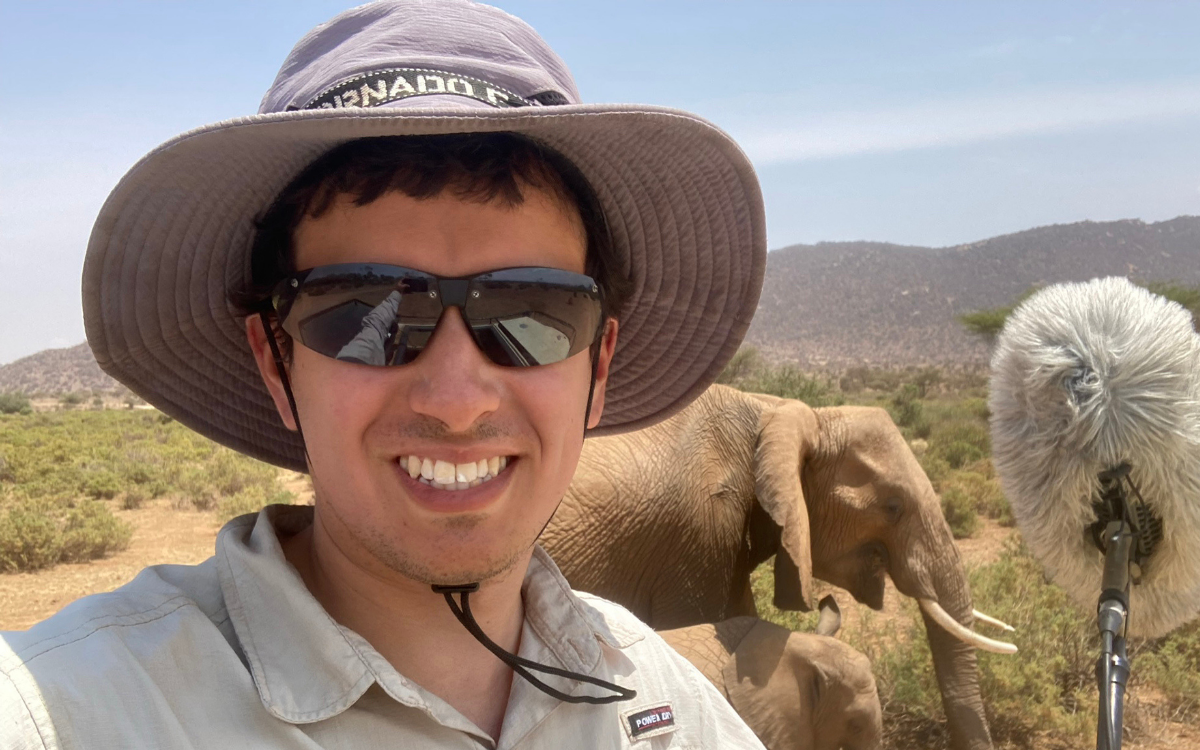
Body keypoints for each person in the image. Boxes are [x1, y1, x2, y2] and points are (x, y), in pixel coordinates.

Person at [1, 1, 767, 747]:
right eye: (366, 314)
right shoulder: (67, 714)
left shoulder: (662, 707)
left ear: (597, 368)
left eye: (534, 313)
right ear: (276, 361)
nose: (458, 400)